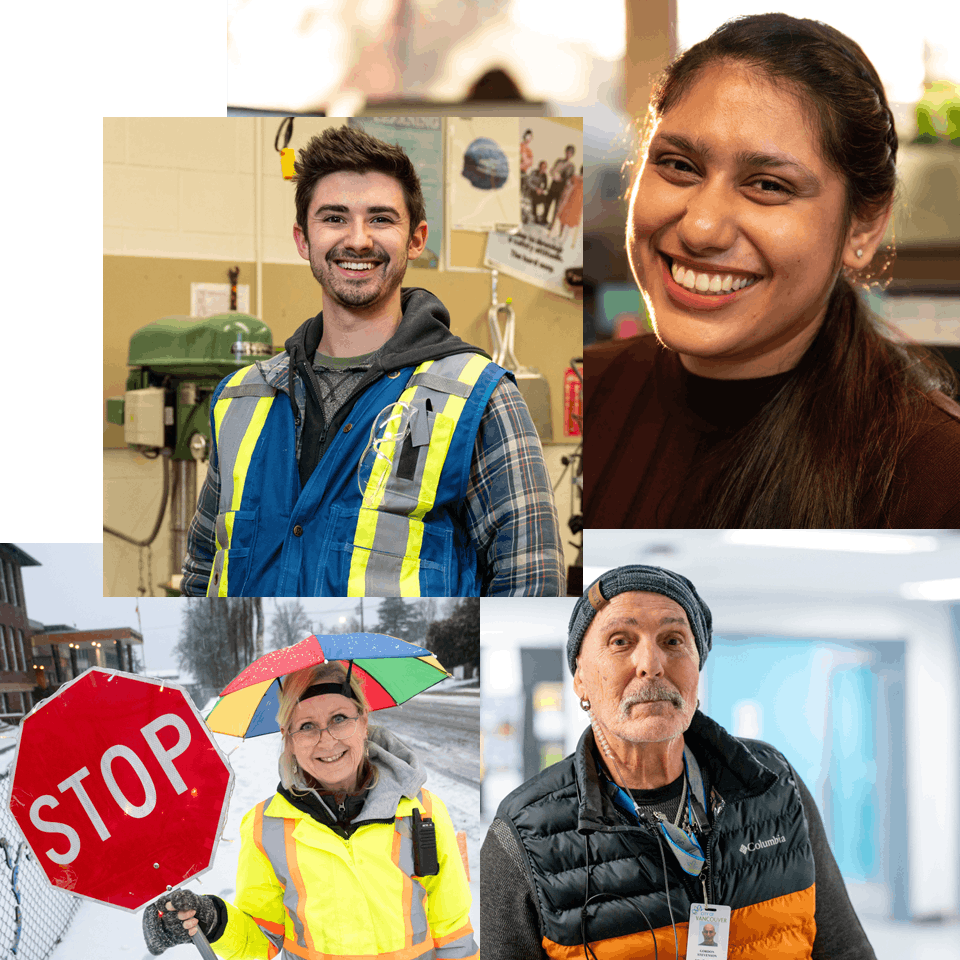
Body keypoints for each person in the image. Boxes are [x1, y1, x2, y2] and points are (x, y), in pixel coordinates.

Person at [583, 13, 960, 528]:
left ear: (863, 228)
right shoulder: (570, 401)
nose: (702, 228)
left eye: (768, 185)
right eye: (679, 165)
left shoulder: (936, 474)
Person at [181, 125, 564, 596]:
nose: (358, 240)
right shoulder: (240, 400)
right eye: (335, 218)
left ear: (416, 239)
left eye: (381, 219)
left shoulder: (477, 398)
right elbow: (202, 571)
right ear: (303, 239)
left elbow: (532, 584)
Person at [480, 564, 877, 959]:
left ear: (697, 668)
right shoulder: (523, 834)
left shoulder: (772, 782)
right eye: (620, 641)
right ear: (580, 678)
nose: (651, 663)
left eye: (673, 641)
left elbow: (846, 948)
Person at [143, 661, 477, 959]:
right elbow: (261, 940)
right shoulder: (266, 828)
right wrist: (214, 920)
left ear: (364, 724)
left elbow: (453, 933)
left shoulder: (423, 812)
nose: (327, 740)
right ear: (288, 739)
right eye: (306, 726)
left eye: (340, 719)